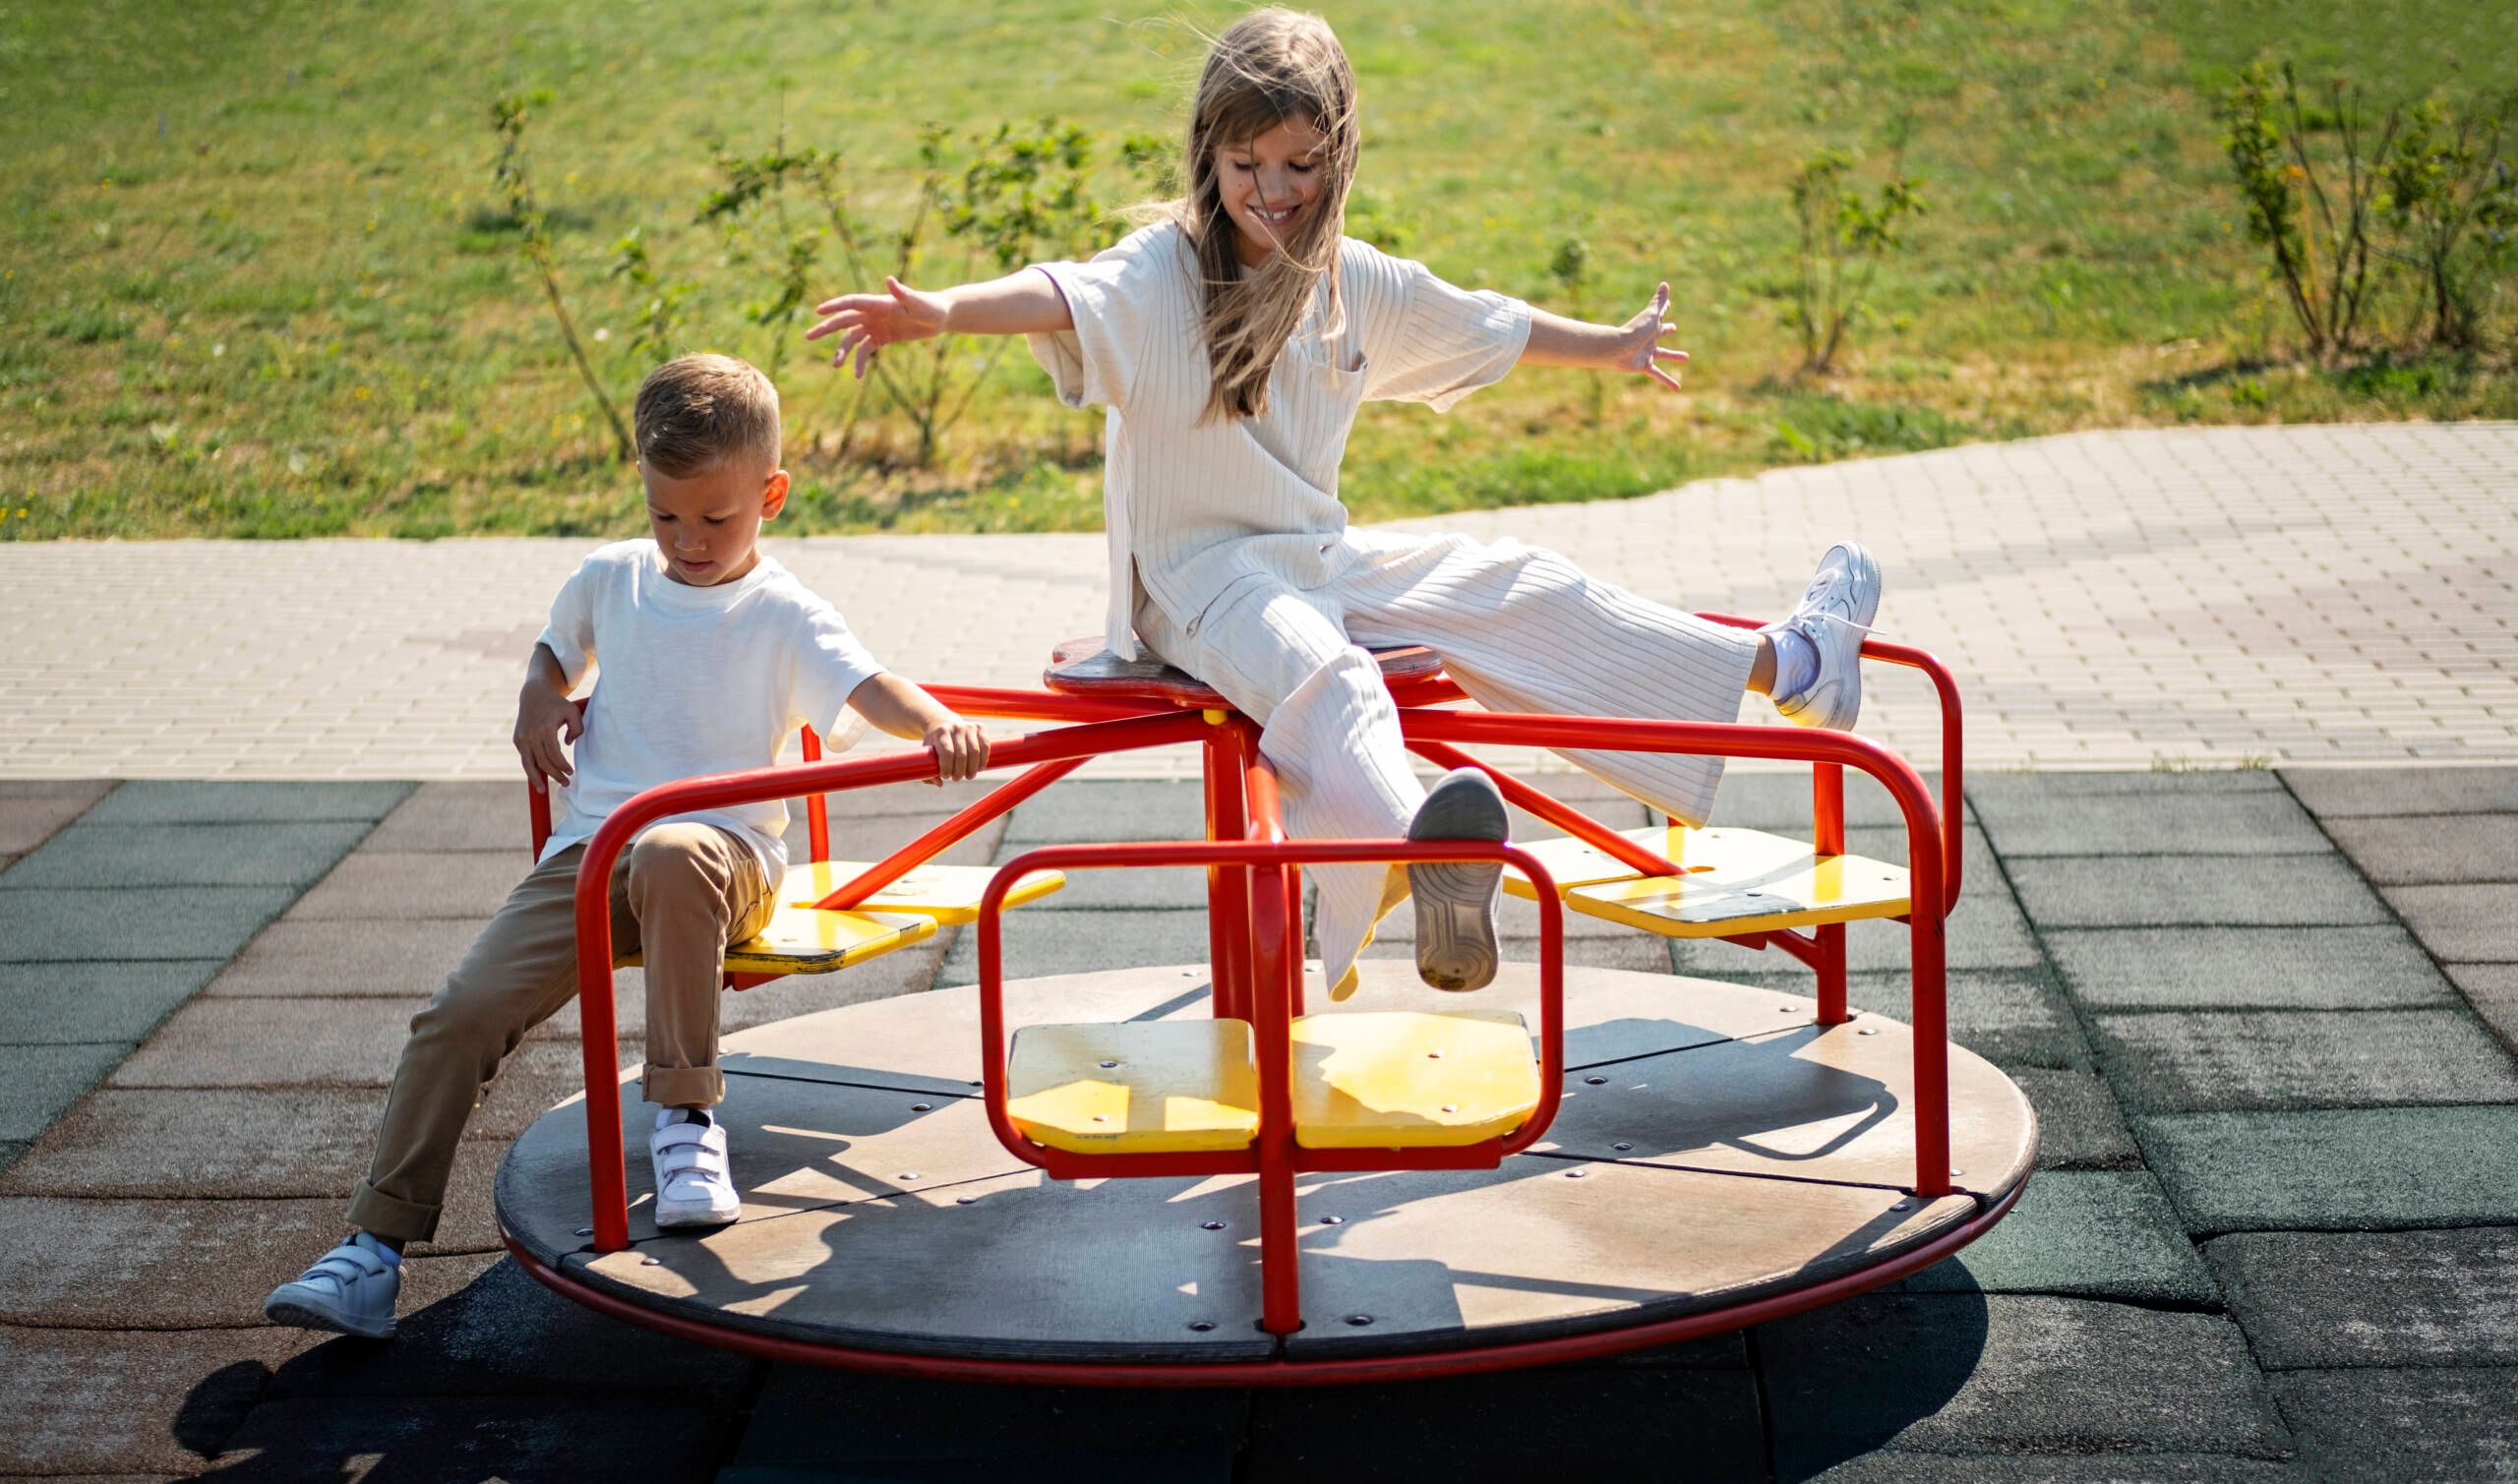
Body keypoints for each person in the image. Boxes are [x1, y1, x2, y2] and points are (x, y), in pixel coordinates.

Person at [807, 7, 1878, 1002]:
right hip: (1193, 586)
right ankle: (1421, 849)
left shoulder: (1354, 284)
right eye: (1245, 165)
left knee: (1518, 583)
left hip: (1314, 558)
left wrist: (1612, 345)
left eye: (1298, 166)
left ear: (1338, 159)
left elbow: (1485, 323)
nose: (1271, 190)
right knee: (1328, 675)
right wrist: (941, 313)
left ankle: (1796, 666)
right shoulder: (1162, 272)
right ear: (1207, 158)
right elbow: (1062, 293)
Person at [264, 353, 989, 1339]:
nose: (688, 541)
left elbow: (868, 687)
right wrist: (537, 694)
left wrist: (936, 723)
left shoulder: (783, 611)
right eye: (666, 516)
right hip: (593, 854)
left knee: (672, 849)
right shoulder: (611, 579)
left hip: (724, 857)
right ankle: (372, 1250)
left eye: (716, 518)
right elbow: (557, 650)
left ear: (771, 493)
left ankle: (686, 1122)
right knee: (458, 1013)